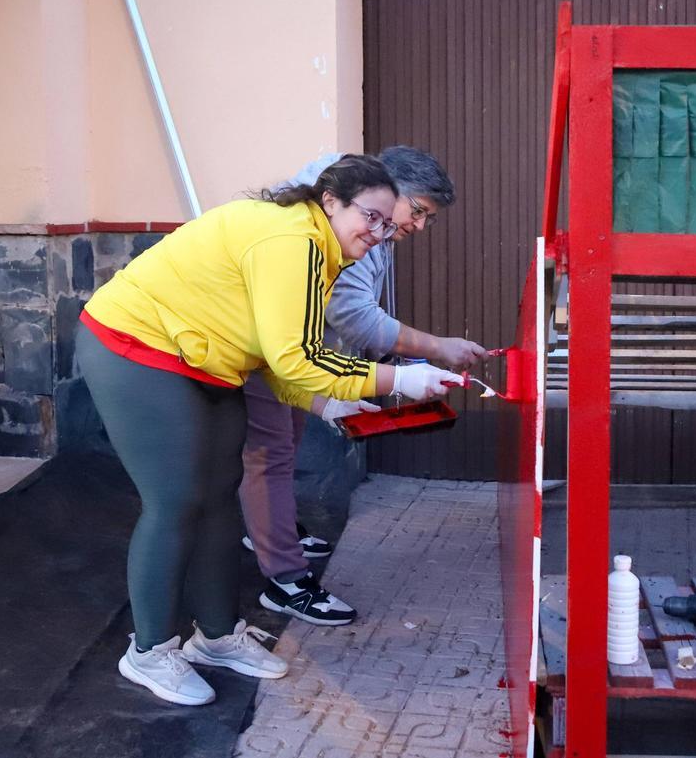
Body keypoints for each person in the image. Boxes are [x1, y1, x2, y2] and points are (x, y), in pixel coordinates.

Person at [76, 154, 463, 706]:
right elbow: (296, 357)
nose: (379, 233)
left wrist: (326, 406)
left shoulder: (322, 249)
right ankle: (150, 651)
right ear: (331, 201)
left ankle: (215, 637)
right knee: (176, 502)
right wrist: (398, 379)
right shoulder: (291, 240)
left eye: (385, 222)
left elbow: (271, 353)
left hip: (207, 361)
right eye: (370, 217)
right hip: (135, 347)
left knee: (218, 499)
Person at [239, 146, 485, 627]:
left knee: (282, 443)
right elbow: (348, 317)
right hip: (252, 348)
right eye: (418, 211)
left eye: (428, 219)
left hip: (280, 349)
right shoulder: (317, 231)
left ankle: (273, 532)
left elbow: (324, 331)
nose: (418, 227)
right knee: (268, 452)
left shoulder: (357, 219)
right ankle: (285, 580)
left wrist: (350, 388)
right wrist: (422, 359)